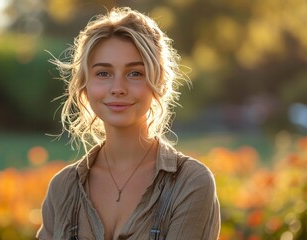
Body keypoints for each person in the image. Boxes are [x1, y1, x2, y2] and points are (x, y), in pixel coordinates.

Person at [37, 7, 220, 240]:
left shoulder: (190, 183)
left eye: (134, 73)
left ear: (159, 82)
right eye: (103, 73)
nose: (118, 88)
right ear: (85, 86)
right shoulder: (62, 188)